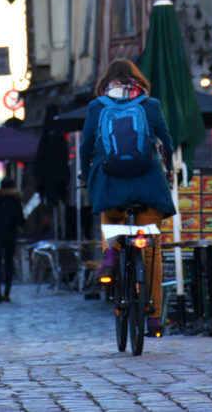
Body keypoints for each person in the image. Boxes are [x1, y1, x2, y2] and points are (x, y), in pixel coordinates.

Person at [78, 58, 175, 338]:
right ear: (137, 80)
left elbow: (86, 146)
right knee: (151, 249)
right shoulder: (150, 105)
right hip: (148, 182)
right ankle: (155, 317)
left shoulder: (98, 107)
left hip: (111, 182)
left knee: (112, 220)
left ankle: (111, 253)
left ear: (107, 81)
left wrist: (87, 176)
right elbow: (166, 142)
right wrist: (166, 172)